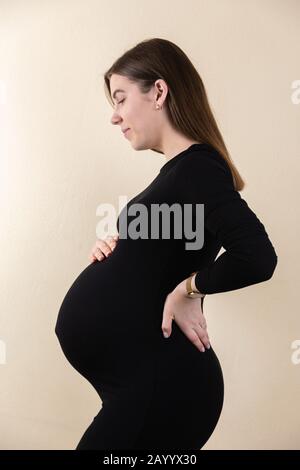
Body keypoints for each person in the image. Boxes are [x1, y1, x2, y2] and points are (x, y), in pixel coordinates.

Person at [55, 38, 278, 450]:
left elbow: (258, 257)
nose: (114, 116)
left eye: (120, 99)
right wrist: (117, 251)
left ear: (158, 91)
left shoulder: (198, 167)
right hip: (142, 385)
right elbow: (172, 258)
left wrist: (190, 288)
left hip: (163, 388)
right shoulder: (178, 174)